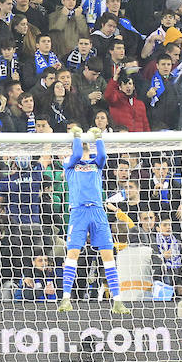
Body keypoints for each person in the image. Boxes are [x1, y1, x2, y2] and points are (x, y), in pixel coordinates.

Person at [57, 130, 127, 313]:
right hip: (79, 212)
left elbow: (103, 154)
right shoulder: (69, 165)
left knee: (108, 256)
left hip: (97, 211)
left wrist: (98, 139)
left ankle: (117, 300)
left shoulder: (97, 164)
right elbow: (78, 154)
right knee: (72, 253)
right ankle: (66, 298)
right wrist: (78, 137)